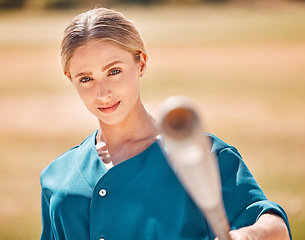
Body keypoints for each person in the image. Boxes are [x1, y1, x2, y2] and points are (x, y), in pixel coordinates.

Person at [40, 7, 292, 240]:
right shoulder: (57, 178)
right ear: (70, 78)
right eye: (86, 78)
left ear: (141, 63)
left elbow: (275, 228)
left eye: (114, 71)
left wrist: (246, 236)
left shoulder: (202, 154)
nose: (102, 93)